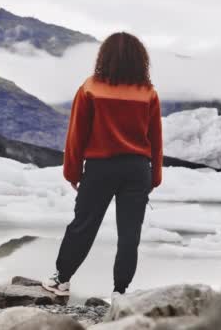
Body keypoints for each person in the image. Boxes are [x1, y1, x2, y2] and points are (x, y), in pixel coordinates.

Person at [42, 32, 163, 297]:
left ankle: (61, 280)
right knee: (130, 235)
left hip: (100, 169)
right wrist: (154, 177)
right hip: (137, 170)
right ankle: (120, 292)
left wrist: (72, 172)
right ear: (139, 60)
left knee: (83, 226)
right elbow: (155, 140)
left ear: (104, 58)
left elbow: (77, 135)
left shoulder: (90, 88)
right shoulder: (148, 93)